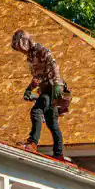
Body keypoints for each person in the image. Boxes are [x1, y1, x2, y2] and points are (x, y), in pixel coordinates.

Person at [12, 30, 68, 159]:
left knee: (36, 111)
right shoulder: (30, 57)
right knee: (51, 121)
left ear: (25, 42)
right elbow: (37, 76)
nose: (20, 50)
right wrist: (29, 88)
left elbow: (53, 65)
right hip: (45, 88)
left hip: (52, 87)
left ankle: (33, 143)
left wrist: (57, 86)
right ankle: (59, 154)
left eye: (20, 47)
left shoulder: (41, 50)